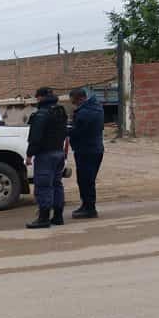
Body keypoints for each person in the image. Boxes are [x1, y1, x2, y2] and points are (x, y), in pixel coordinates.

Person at [25, 87, 69, 229]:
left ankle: (43, 219)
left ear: (40, 97)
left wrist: (29, 155)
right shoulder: (60, 111)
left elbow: (35, 138)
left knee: (43, 186)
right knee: (57, 185)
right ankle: (58, 216)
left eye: (37, 97)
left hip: (45, 155)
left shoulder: (41, 114)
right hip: (59, 153)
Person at [68, 88, 104, 219]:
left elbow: (78, 131)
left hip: (87, 150)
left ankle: (89, 208)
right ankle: (86, 205)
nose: (74, 105)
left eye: (74, 102)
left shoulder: (85, 113)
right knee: (85, 180)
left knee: (86, 180)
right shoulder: (95, 108)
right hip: (93, 149)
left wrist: (64, 130)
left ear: (81, 99)